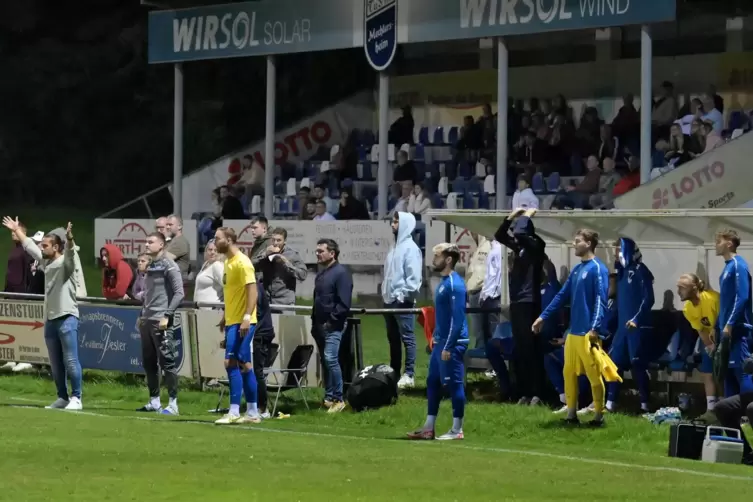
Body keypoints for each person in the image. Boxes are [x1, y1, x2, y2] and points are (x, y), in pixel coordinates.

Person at [2, 217, 83, 410]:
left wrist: (70, 239)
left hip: (67, 317)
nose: (41, 248)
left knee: (71, 360)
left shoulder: (65, 264)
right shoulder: (46, 263)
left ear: (56, 247)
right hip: (50, 319)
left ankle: (76, 398)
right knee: (55, 363)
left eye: (45, 245)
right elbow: (30, 246)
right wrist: (17, 230)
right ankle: (62, 397)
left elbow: (70, 253)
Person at [533, 229, 609, 426]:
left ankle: (599, 414)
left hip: (588, 333)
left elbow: (601, 299)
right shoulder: (577, 270)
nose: (574, 244)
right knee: (569, 373)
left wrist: (595, 327)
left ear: (589, 243)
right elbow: (561, 296)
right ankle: (571, 414)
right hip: (573, 332)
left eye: (577, 241)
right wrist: (543, 317)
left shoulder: (597, 268)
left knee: (593, 374)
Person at [407, 243, 468, 441]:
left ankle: (457, 429)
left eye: (437, 256)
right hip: (441, 341)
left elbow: (457, 319)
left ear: (448, 259)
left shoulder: (454, 285)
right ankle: (428, 427)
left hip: (453, 342)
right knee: (432, 381)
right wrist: (435, 336)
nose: (433, 260)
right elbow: (443, 316)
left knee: (454, 384)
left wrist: (449, 346)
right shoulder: (443, 282)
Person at [495, 207, 546, 405]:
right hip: (517, 301)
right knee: (521, 349)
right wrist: (510, 218)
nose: (514, 236)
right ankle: (524, 392)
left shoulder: (536, 245)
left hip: (529, 302)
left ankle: (537, 393)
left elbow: (520, 233)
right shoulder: (520, 247)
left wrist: (525, 216)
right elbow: (500, 235)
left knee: (531, 348)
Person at [213, 227, 261, 425]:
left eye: (218, 238)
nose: (214, 242)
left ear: (230, 240)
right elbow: (233, 293)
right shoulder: (228, 262)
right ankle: (252, 412)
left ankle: (234, 411)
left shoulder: (243, 263)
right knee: (244, 364)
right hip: (233, 320)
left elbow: (253, 291)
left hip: (243, 321)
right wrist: (226, 315)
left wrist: (247, 317)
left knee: (231, 363)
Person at [137, 231, 185, 415]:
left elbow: (179, 293)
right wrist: (142, 314)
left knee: (167, 361)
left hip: (160, 321)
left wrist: (167, 314)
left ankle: (173, 403)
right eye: (146, 242)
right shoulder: (150, 266)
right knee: (149, 362)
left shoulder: (169, 265)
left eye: (151, 242)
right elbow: (148, 294)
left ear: (161, 245)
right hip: (146, 320)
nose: (146, 245)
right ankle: (154, 400)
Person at [606, 237, 655, 413]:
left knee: (638, 365)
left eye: (618, 249)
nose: (615, 254)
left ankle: (645, 404)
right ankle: (610, 403)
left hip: (637, 328)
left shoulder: (641, 271)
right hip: (622, 329)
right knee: (614, 364)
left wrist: (636, 319)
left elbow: (648, 298)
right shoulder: (620, 274)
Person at [381, 212, 422, 389]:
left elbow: (414, 278)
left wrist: (401, 296)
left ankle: (409, 374)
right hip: (389, 300)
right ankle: (395, 371)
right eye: (393, 220)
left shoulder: (411, 249)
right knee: (393, 338)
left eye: (397, 221)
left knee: (407, 337)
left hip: (402, 300)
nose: (393, 224)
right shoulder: (394, 247)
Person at [311, 238, 353, 413]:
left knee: (331, 359)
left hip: (333, 325)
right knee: (325, 361)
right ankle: (329, 397)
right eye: (317, 251)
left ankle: (338, 398)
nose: (318, 254)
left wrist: (332, 322)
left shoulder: (341, 273)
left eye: (321, 251)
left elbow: (344, 303)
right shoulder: (322, 273)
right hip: (319, 325)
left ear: (332, 253)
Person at [714, 229, 753, 398]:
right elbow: (726, 302)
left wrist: (729, 324)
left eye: (718, 241)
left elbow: (742, 296)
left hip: (738, 329)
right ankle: (732, 417)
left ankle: (748, 414)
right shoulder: (727, 267)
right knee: (727, 373)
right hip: (726, 329)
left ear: (729, 243)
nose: (716, 245)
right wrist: (717, 326)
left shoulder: (739, 265)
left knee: (742, 371)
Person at [677, 273, 720, 414]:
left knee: (727, 372)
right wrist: (710, 346)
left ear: (694, 287)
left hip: (727, 335)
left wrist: (718, 340)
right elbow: (701, 330)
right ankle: (711, 409)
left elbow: (725, 318)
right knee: (707, 372)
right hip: (710, 338)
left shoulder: (712, 299)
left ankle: (736, 408)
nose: (678, 292)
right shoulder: (687, 309)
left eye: (682, 288)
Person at [264, 227, 307, 306]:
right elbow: (253, 266)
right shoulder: (266, 251)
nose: (275, 243)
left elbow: (303, 275)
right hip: (267, 301)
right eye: (273, 240)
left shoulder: (293, 254)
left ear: (285, 241)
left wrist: (286, 263)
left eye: (279, 240)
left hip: (285, 301)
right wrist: (264, 255)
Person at [254, 278, 275, 419]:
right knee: (253, 371)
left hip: (259, 335)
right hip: (259, 333)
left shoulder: (254, 289)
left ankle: (262, 409)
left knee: (257, 372)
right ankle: (254, 406)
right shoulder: (256, 287)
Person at [193, 239, 224, 306]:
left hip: (212, 309)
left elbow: (226, 286)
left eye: (216, 250)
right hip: (201, 309)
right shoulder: (206, 264)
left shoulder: (217, 265)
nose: (212, 252)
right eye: (210, 249)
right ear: (206, 251)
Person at [4, 220, 31, 294]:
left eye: (15, 231)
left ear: (24, 233)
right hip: (9, 289)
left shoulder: (27, 249)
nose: (13, 233)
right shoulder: (14, 249)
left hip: (20, 291)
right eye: (12, 231)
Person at [164, 215, 191, 280]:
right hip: (173, 279)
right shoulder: (172, 240)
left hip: (177, 280)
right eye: (167, 225)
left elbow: (164, 259)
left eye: (170, 225)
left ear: (180, 226)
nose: (167, 227)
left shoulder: (180, 241)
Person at [247, 216, 273, 282]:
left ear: (264, 229)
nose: (252, 230)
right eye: (251, 228)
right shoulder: (258, 243)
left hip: (264, 284)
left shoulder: (270, 243)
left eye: (255, 228)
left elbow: (269, 265)